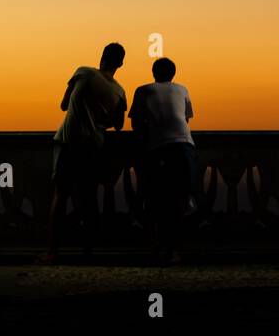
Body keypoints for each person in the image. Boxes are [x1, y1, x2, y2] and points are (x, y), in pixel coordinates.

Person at [42, 43, 128, 263]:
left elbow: (63, 105)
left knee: (60, 197)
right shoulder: (120, 92)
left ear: (102, 57)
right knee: (89, 199)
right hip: (94, 146)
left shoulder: (84, 72)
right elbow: (117, 125)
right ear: (120, 64)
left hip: (69, 141)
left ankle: (52, 252)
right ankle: (88, 251)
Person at [130, 57, 196, 262]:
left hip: (158, 148)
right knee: (179, 199)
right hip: (184, 145)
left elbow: (135, 124)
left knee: (156, 199)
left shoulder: (142, 90)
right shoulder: (183, 89)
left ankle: (156, 247)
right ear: (173, 74)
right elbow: (185, 119)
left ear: (153, 72)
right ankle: (172, 250)